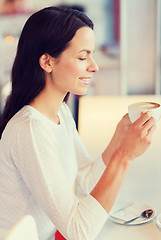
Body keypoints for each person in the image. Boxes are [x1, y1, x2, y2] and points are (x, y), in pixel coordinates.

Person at [0, 6, 156, 240]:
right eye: (83, 57)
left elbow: (85, 181)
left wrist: (118, 140)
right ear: (47, 61)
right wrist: (125, 156)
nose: (94, 66)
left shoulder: (59, 111)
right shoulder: (30, 129)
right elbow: (78, 232)